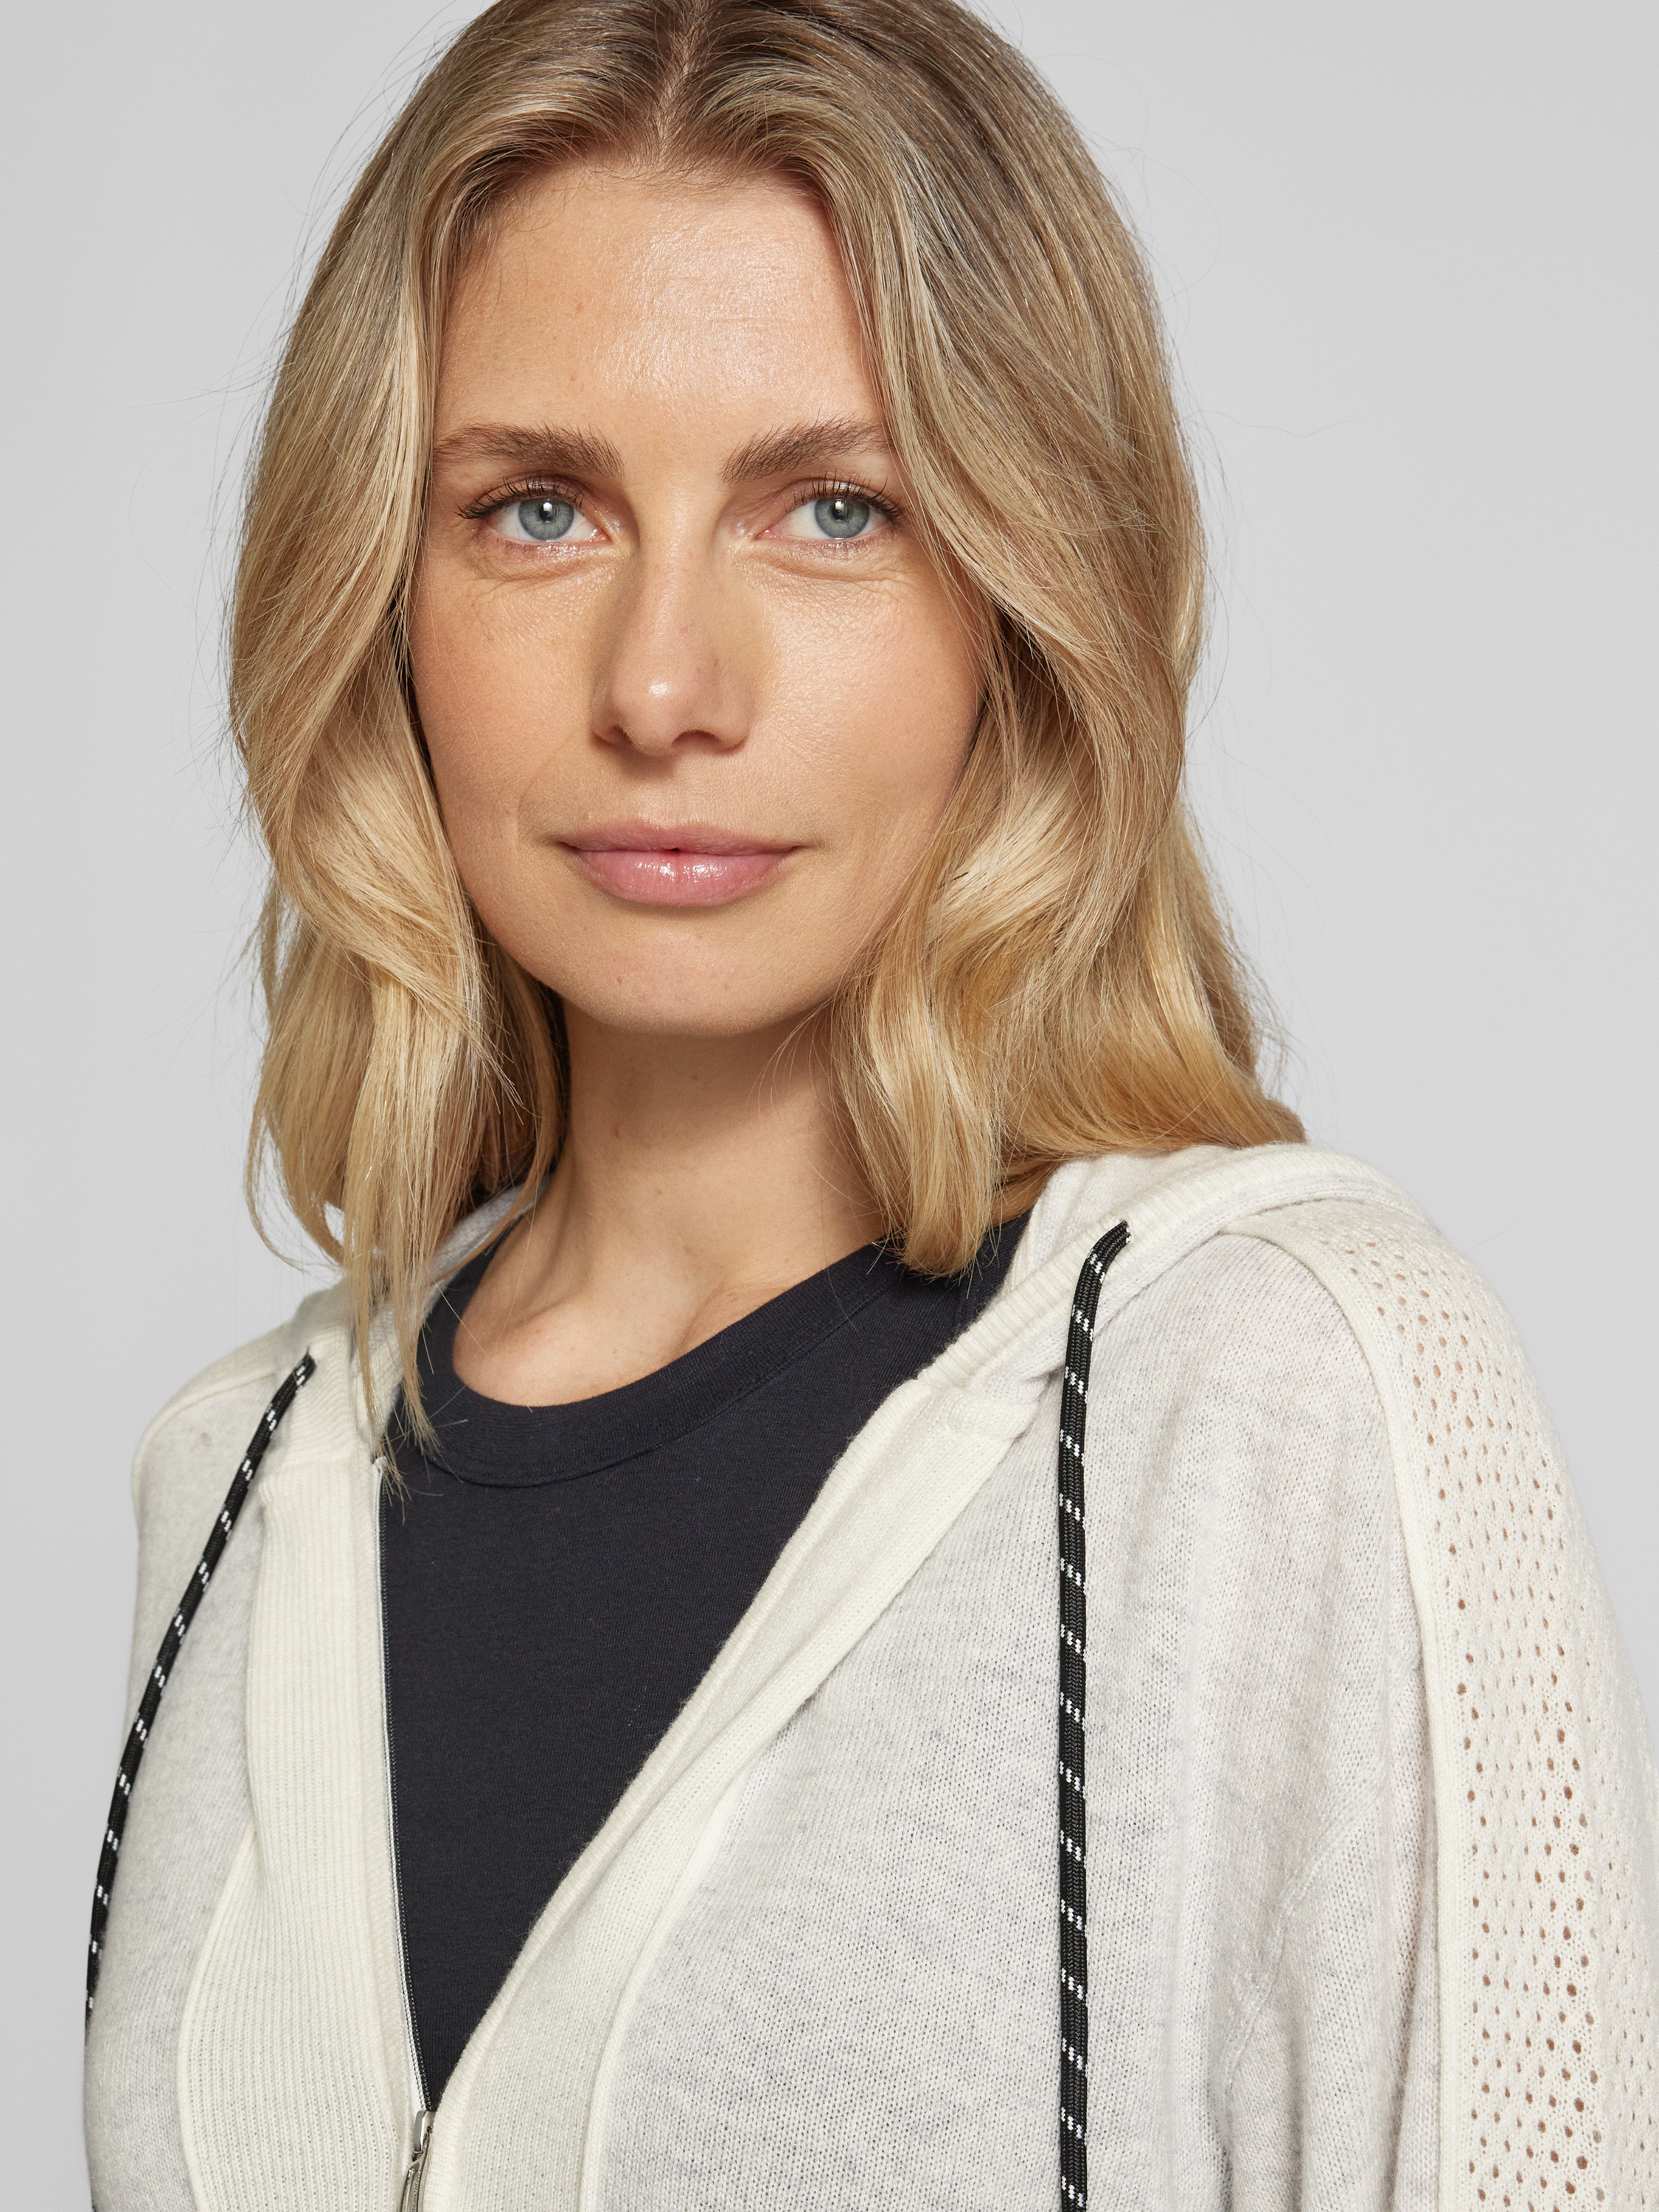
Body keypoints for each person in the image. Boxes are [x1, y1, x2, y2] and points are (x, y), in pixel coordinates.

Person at [82, 1, 1658, 2206]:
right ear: (382, 593)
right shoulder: (242, 1478)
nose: (661, 687)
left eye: (832, 509)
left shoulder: (1266, 1398)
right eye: (536, 508)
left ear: (1027, 592)